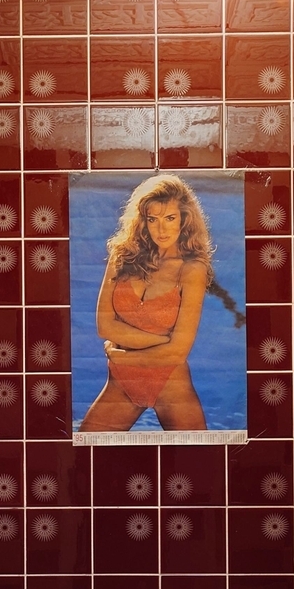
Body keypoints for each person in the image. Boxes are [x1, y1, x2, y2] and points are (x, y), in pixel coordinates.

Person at [79, 175, 212, 433]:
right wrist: (164, 341)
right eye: (153, 219)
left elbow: (178, 354)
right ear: (142, 221)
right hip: (122, 383)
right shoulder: (122, 256)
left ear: (184, 219)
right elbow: (105, 326)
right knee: (85, 447)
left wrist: (123, 356)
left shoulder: (192, 269)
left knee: (201, 454)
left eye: (170, 218)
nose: (161, 229)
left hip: (170, 384)